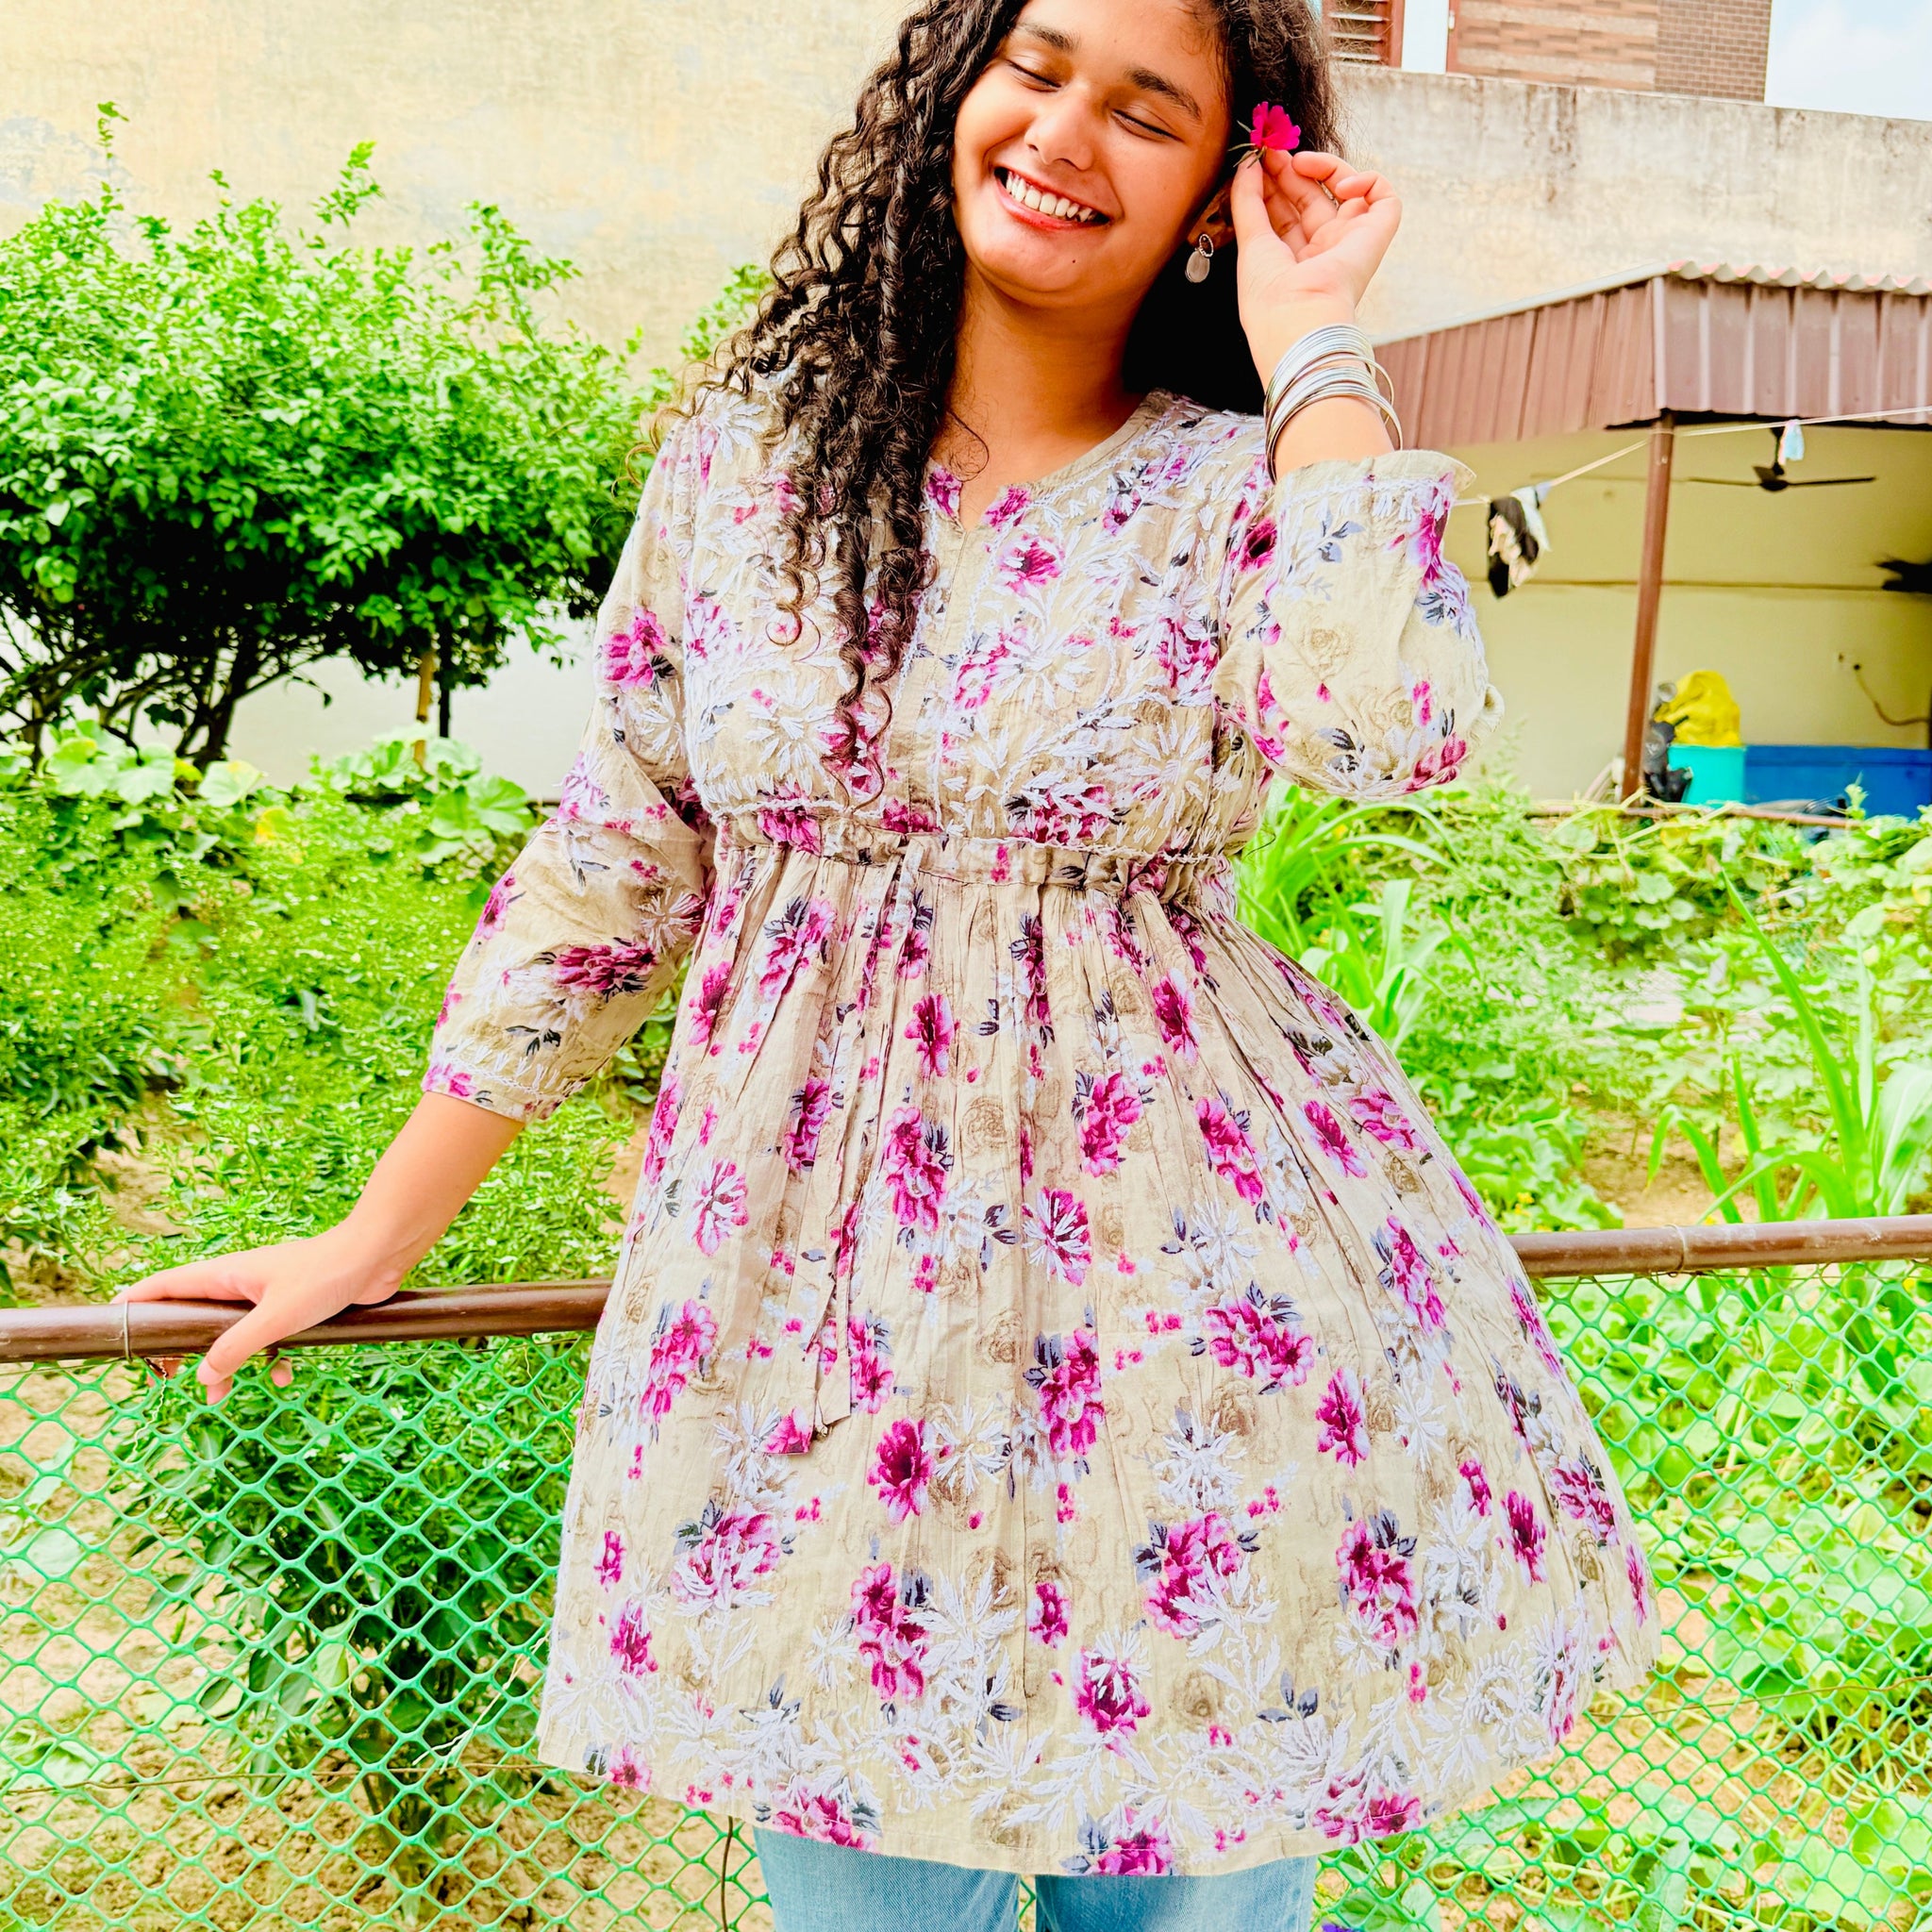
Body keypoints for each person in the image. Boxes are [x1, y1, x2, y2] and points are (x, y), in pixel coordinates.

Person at [118, 2, 1657, 1925]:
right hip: (807, 1333)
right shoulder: (751, 468)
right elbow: (613, 862)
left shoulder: (1239, 485)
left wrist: (1317, 345)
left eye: (1147, 109)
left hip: (1189, 1343)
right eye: (1039, 65)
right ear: (954, 92)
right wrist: (379, 1229)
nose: (1067, 130)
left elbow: (1389, 732)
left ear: (1217, 189)